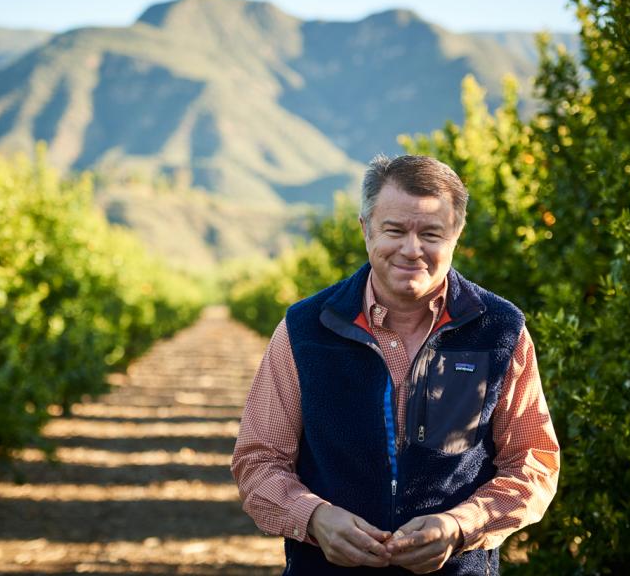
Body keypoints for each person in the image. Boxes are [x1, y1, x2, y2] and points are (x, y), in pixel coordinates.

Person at [231, 154, 560, 574]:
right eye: (395, 230)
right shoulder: (305, 330)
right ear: (365, 229)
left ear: (456, 235)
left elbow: (533, 462)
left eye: (431, 233)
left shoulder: (498, 331)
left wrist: (461, 525)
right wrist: (313, 517)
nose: (412, 249)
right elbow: (258, 460)